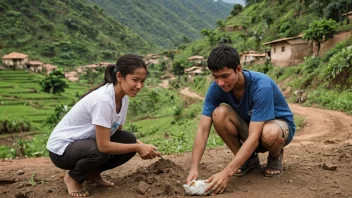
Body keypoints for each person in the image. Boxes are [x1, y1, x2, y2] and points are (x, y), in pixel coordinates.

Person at [186, 45, 296, 195]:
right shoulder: (216, 88)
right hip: (252, 127)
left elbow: (254, 137)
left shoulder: (261, 85)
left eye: (225, 76)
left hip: (278, 128)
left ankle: (275, 156)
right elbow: (203, 130)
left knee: (269, 133)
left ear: (238, 69)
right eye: (215, 77)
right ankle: (249, 161)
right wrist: (194, 167)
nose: (220, 83)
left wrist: (226, 173)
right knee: (219, 114)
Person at [46, 54, 161, 197]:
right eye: (135, 80)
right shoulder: (104, 100)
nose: (139, 86)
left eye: (142, 81)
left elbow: (116, 133)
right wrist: (138, 147)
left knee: (129, 139)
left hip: (84, 144)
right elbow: (104, 146)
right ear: (119, 76)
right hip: (62, 150)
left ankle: (93, 173)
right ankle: (73, 178)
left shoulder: (123, 99)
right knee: (100, 152)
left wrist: (141, 145)